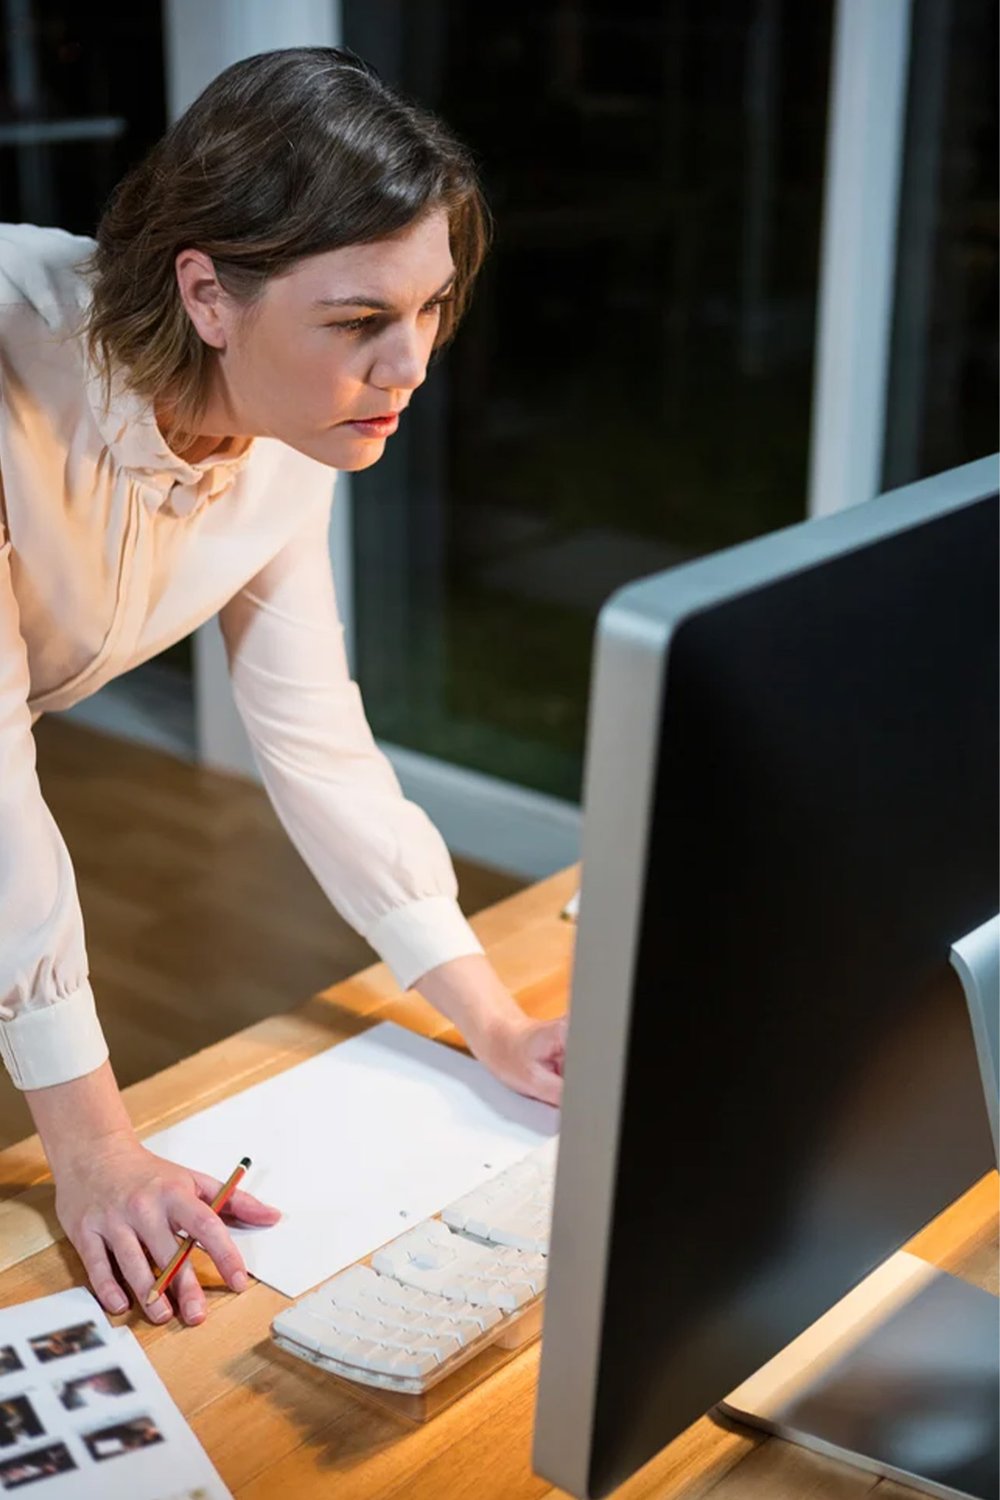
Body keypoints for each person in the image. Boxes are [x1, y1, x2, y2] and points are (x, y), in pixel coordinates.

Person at [0, 47, 566, 1330]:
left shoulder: (287, 417)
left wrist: (487, 1014)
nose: (411, 362)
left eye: (428, 309)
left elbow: (314, 734)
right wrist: (93, 1148)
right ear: (207, 291)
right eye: (362, 319)